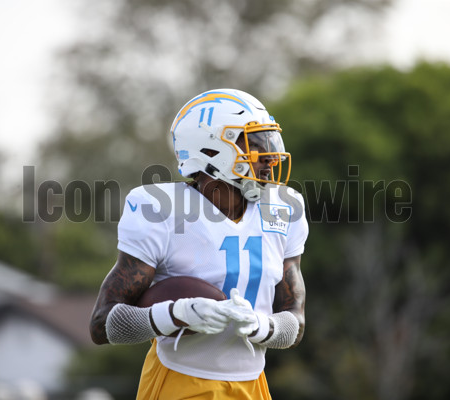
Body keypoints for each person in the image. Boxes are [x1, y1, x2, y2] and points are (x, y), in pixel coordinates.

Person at [90, 88, 309, 399]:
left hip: (252, 384)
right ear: (210, 150)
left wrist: (263, 326)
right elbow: (103, 325)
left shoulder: (284, 209)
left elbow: (295, 323)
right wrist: (176, 314)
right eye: (255, 144)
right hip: (178, 380)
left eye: (270, 142)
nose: (271, 157)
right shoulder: (160, 208)